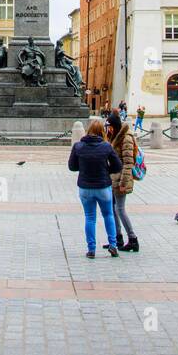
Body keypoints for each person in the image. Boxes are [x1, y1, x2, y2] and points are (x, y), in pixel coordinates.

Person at [68, 118, 122, 259]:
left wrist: (84, 168)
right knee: (108, 215)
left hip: (85, 187)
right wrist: (106, 170)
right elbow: (118, 166)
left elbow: (72, 167)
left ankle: (91, 249)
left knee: (90, 217)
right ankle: (113, 245)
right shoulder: (106, 146)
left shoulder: (78, 146)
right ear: (101, 132)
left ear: (88, 131)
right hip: (103, 186)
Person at [106, 109, 139, 252]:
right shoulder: (115, 136)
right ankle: (117, 238)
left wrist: (124, 183)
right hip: (113, 178)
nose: (108, 129)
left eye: (110, 126)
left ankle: (132, 239)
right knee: (113, 209)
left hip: (121, 180)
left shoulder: (125, 138)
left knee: (120, 209)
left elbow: (128, 162)